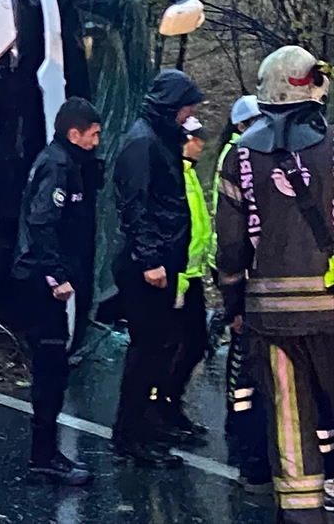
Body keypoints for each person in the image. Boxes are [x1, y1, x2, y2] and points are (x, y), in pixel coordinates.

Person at [216, 46, 334, 524]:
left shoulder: (239, 155)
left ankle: (303, 515)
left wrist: (232, 304)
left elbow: (230, 247)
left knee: (289, 423)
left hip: (270, 320)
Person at [111, 69, 204, 467]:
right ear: (172, 106)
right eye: (187, 107)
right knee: (145, 351)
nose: (190, 115)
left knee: (156, 349)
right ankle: (130, 434)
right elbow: (136, 205)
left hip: (163, 260)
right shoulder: (143, 143)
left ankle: (143, 428)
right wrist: (150, 259)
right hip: (149, 266)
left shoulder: (156, 139)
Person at [12, 97, 102, 486]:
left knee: (55, 368)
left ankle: (45, 452)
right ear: (74, 133)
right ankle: (43, 456)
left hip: (54, 279)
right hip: (45, 284)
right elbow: (42, 223)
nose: (98, 141)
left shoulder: (70, 165)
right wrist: (57, 275)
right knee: (50, 369)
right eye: (93, 134)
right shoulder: (57, 165)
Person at [215, 95, 274, 492]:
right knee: (248, 380)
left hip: (258, 288)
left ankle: (252, 454)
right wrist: (232, 300)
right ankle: (246, 451)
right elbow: (233, 240)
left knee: (252, 379)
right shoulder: (240, 159)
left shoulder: (247, 158)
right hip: (259, 289)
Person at [155, 114, 215, 446]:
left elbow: (200, 227)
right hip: (177, 280)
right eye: (194, 137)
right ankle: (161, 409)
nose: (200, 142)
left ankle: (171, 405)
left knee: (193, 345)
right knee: (174, 347)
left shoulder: (189, 174)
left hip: (191, 277)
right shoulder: (174, 174)